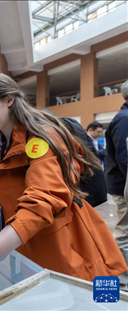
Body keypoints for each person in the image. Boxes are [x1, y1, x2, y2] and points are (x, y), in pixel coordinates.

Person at [0, 73, 127, 291]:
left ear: (9, 99)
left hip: (72, 246)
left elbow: (42, 201)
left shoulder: (42, 138)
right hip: (32, 248)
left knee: (101, 300)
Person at [105, 80, 128, 291]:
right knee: (124, 230)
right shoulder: (125, 118)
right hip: (123, 184)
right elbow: (124, 155)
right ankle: (121, 280)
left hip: (122, 181)